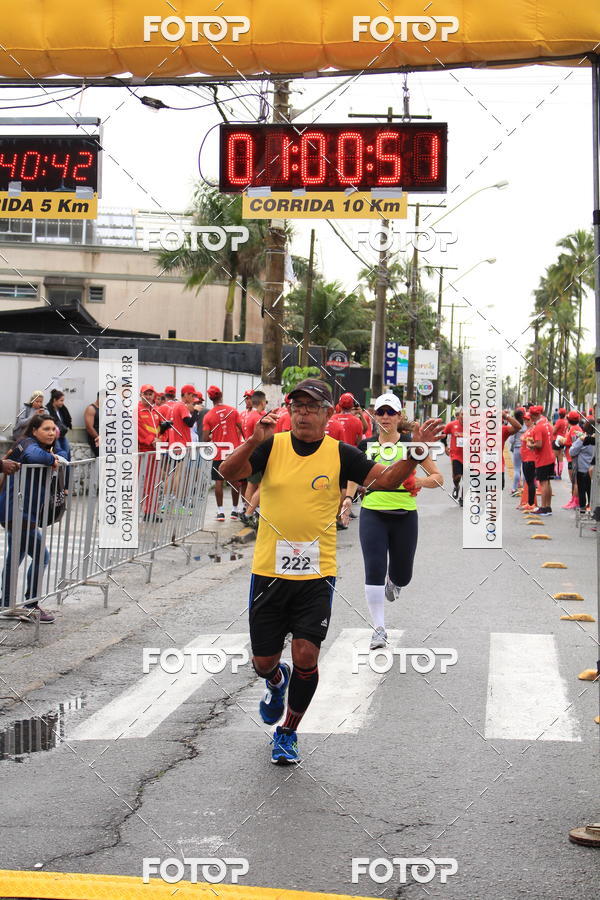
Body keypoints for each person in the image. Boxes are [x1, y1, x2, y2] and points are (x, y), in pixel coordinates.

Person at [219, 377, 443, 765]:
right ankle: (275, 681)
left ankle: (287, 732)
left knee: (307, 656)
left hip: (317, 575)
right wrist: (254, 439)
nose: (303, 412)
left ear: (327, 414)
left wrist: (413, 451)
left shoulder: (341, 454)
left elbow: (385, 480)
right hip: (269, 572)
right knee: (263, 663)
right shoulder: (272, 445)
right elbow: (227, 471)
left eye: (311, 407)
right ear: (290, 411)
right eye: (297, 406)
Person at [358, 393, 443, 649]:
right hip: (372, 512)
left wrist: (418, 481)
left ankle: (395, 582)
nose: (385, 417)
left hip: (405, 515)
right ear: (374, 416)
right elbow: (354, 477)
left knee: (403, 574)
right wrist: (347, 498)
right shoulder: (365, 445)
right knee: (373, 568)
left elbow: (438, 477)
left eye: (390, 412)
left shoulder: (411, 445)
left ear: (398, 417)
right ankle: (379, 628)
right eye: (380, 412)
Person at [0, 413, 69, 622]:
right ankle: (31, 604)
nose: (51, 433)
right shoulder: (28, 444)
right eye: (46, 429)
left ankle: (6, 604)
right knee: (42, 556)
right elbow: (34, 457)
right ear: (34, 430)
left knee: (16, 556)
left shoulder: (42, 445)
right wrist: (52, 459)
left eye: (52, 429)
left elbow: (63, 452)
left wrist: (54, 454)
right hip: (17, 510)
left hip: (21, 511)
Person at [202, 385, 244, 521]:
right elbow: (242, 429)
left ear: (210, 398)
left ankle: (220, 512)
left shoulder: (208, 415)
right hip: (233, 452)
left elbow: (204, 438)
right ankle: (234, 510)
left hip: (218, 452)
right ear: (221, 395)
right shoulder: (233, 411)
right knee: (235, 481)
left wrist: (213, 436)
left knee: (218, 482)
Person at [240, 391, 267, 526]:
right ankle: (249, 513)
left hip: (249, 452)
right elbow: (261, 437)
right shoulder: (258, 418)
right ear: (262, 402)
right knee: (264, 485)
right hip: (258, 453)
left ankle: (247, 510)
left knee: (251, 484)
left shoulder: (247, 415)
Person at [525, 405, 555, 515]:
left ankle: (543, 507)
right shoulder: (547, 424)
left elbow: (539, 444)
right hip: (550, 456)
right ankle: (548, 507)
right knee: (547, 482)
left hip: (543, 458)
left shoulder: (538, 427)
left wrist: (530, 444)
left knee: (543, 483)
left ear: (533, 416)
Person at [570, 421, 595, 511]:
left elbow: (572, 452)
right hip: (594, 469)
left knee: (582, 491)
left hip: (583, 469)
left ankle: (583, 509)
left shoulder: (582, 439)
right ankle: (592, 508)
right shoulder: (597, 439)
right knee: (591, 491)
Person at [561, 411, 584, 509]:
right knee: (574, 481)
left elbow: (571, 443)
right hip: (572, 458)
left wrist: (561, 441)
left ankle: (576, 501)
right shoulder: (576, 428)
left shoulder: (574, 429)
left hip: (573, 458)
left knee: (575, 481)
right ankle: (573, 499)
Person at [442, 408, 464, 505]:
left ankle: (462, 498)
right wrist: (445, 446)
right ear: (459, 415)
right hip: (456, 455)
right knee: (457, 477)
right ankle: (456, 486)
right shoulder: (452, 425)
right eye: (463, 414)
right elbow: (443, 434)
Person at [46, 389, 72, 462]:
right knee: (60, 454)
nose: (62, 403)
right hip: (54, 436)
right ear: (55, 400)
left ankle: (67, 472)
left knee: (67, 453)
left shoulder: (62, 410)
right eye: (61, 400)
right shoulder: (48, 410)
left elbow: (67, 420)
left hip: (62, 435)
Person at [519, 412, 537, 510]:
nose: (526, 422)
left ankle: (531, 504)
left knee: (530, 482)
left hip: (530, 459)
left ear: (532, 420)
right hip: (526, 458)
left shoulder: (533, 430)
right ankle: (530, 503)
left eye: (528, 420)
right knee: (529, 481)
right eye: (525, 420)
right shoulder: (528, 430)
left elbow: (535, 442)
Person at [509, 408, 526, 497]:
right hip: (526, 449)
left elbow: (511, 440)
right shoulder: (527, 425)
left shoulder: (515, 425)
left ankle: (514, 488)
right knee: (525, 469)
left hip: (516, 448)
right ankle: (525, 488)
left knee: (516, 469)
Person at [552, 407, 568, 479]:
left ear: (559, 414)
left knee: (554, 457)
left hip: (556, 440)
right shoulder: (566, 422)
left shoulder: (559, 421)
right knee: (560, 457)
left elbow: (554, 431)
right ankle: (559, 474)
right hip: (563, 440)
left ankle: (555, 473)